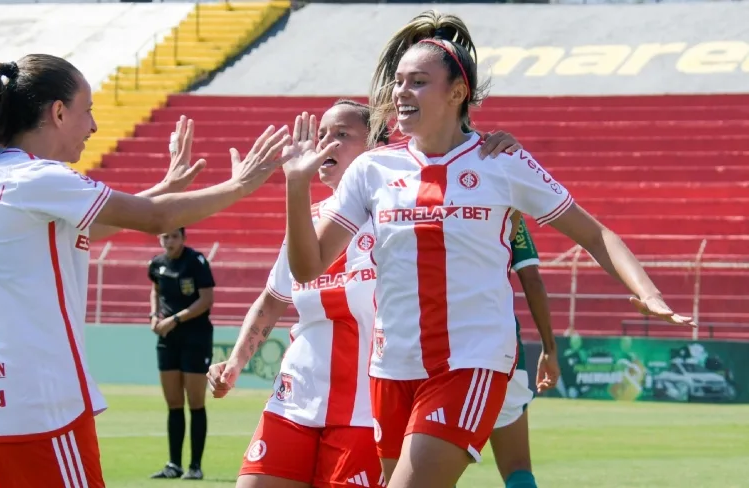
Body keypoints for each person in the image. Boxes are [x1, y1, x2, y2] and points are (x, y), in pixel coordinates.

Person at [279, 11, 695, 488]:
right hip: (390, 367)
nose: (401, 93)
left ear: (457, 91)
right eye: (398, 82)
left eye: (418, 81)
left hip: (470, 362)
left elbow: (596, 234)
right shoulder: (372, 170)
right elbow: (307, 269)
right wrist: (296, 185)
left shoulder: (501, 161)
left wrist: (648, 291)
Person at [0, 53, 292, 488]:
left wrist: (163, 188)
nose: (94, 126)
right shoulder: (36, 177)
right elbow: (156, 219)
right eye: (88, 111)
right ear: (58, 112)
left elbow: (91, 224)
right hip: (41, 399)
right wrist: (239, 186)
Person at [207, 99, 522, 488]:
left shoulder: (401, 219)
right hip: (294, 399)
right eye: (322, 135)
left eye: (342, 135)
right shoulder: (308, 224)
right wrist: (235, 362)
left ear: (376, 148)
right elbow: (273, 299)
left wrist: (492, 149)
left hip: (366, 412)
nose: (327, 144)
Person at [486, 212, 559, 488]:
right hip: (504, 348)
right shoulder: (507, 208)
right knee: (518, 470)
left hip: (441, 349)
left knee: (434, 469)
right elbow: (532, 280)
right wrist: (549, 349)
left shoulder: (419, 206)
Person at [148, 227, 216, 480]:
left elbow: (206, 299)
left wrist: (174, 319)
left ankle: (195, 467)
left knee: (195, 402)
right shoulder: (156, 264)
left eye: (174, 236)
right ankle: (173, 464)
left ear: (183, 238)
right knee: (173, 403)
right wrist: (154, 315)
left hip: (195, 338)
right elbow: (155, 291)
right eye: (165, 236)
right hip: (168, 339)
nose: (169, 241)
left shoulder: (195, 262)